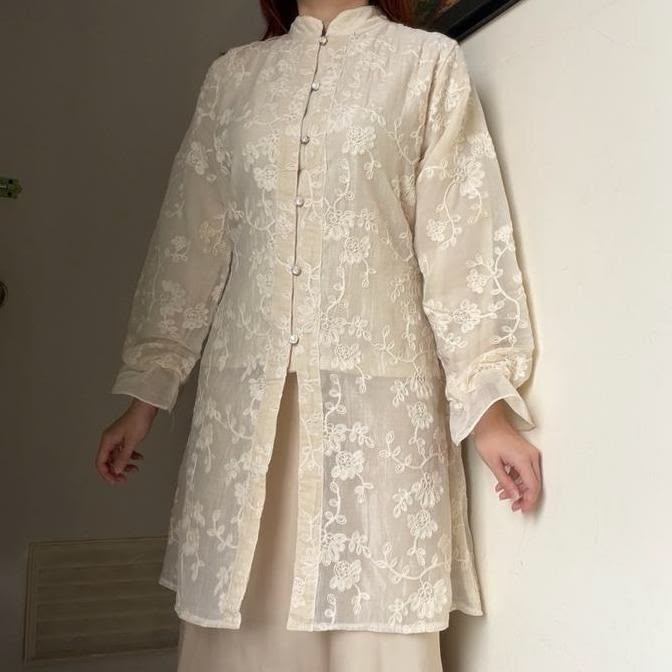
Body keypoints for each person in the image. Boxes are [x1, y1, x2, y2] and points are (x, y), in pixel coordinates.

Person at [96, 1, 542, 669]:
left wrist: (489, 414)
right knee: (245, 618)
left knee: (375, 622)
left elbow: (461, 245)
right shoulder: (233, 78)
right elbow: (190, 243)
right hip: (248, 416)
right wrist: (144, 397)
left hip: (377, 420)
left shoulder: (426, 65)